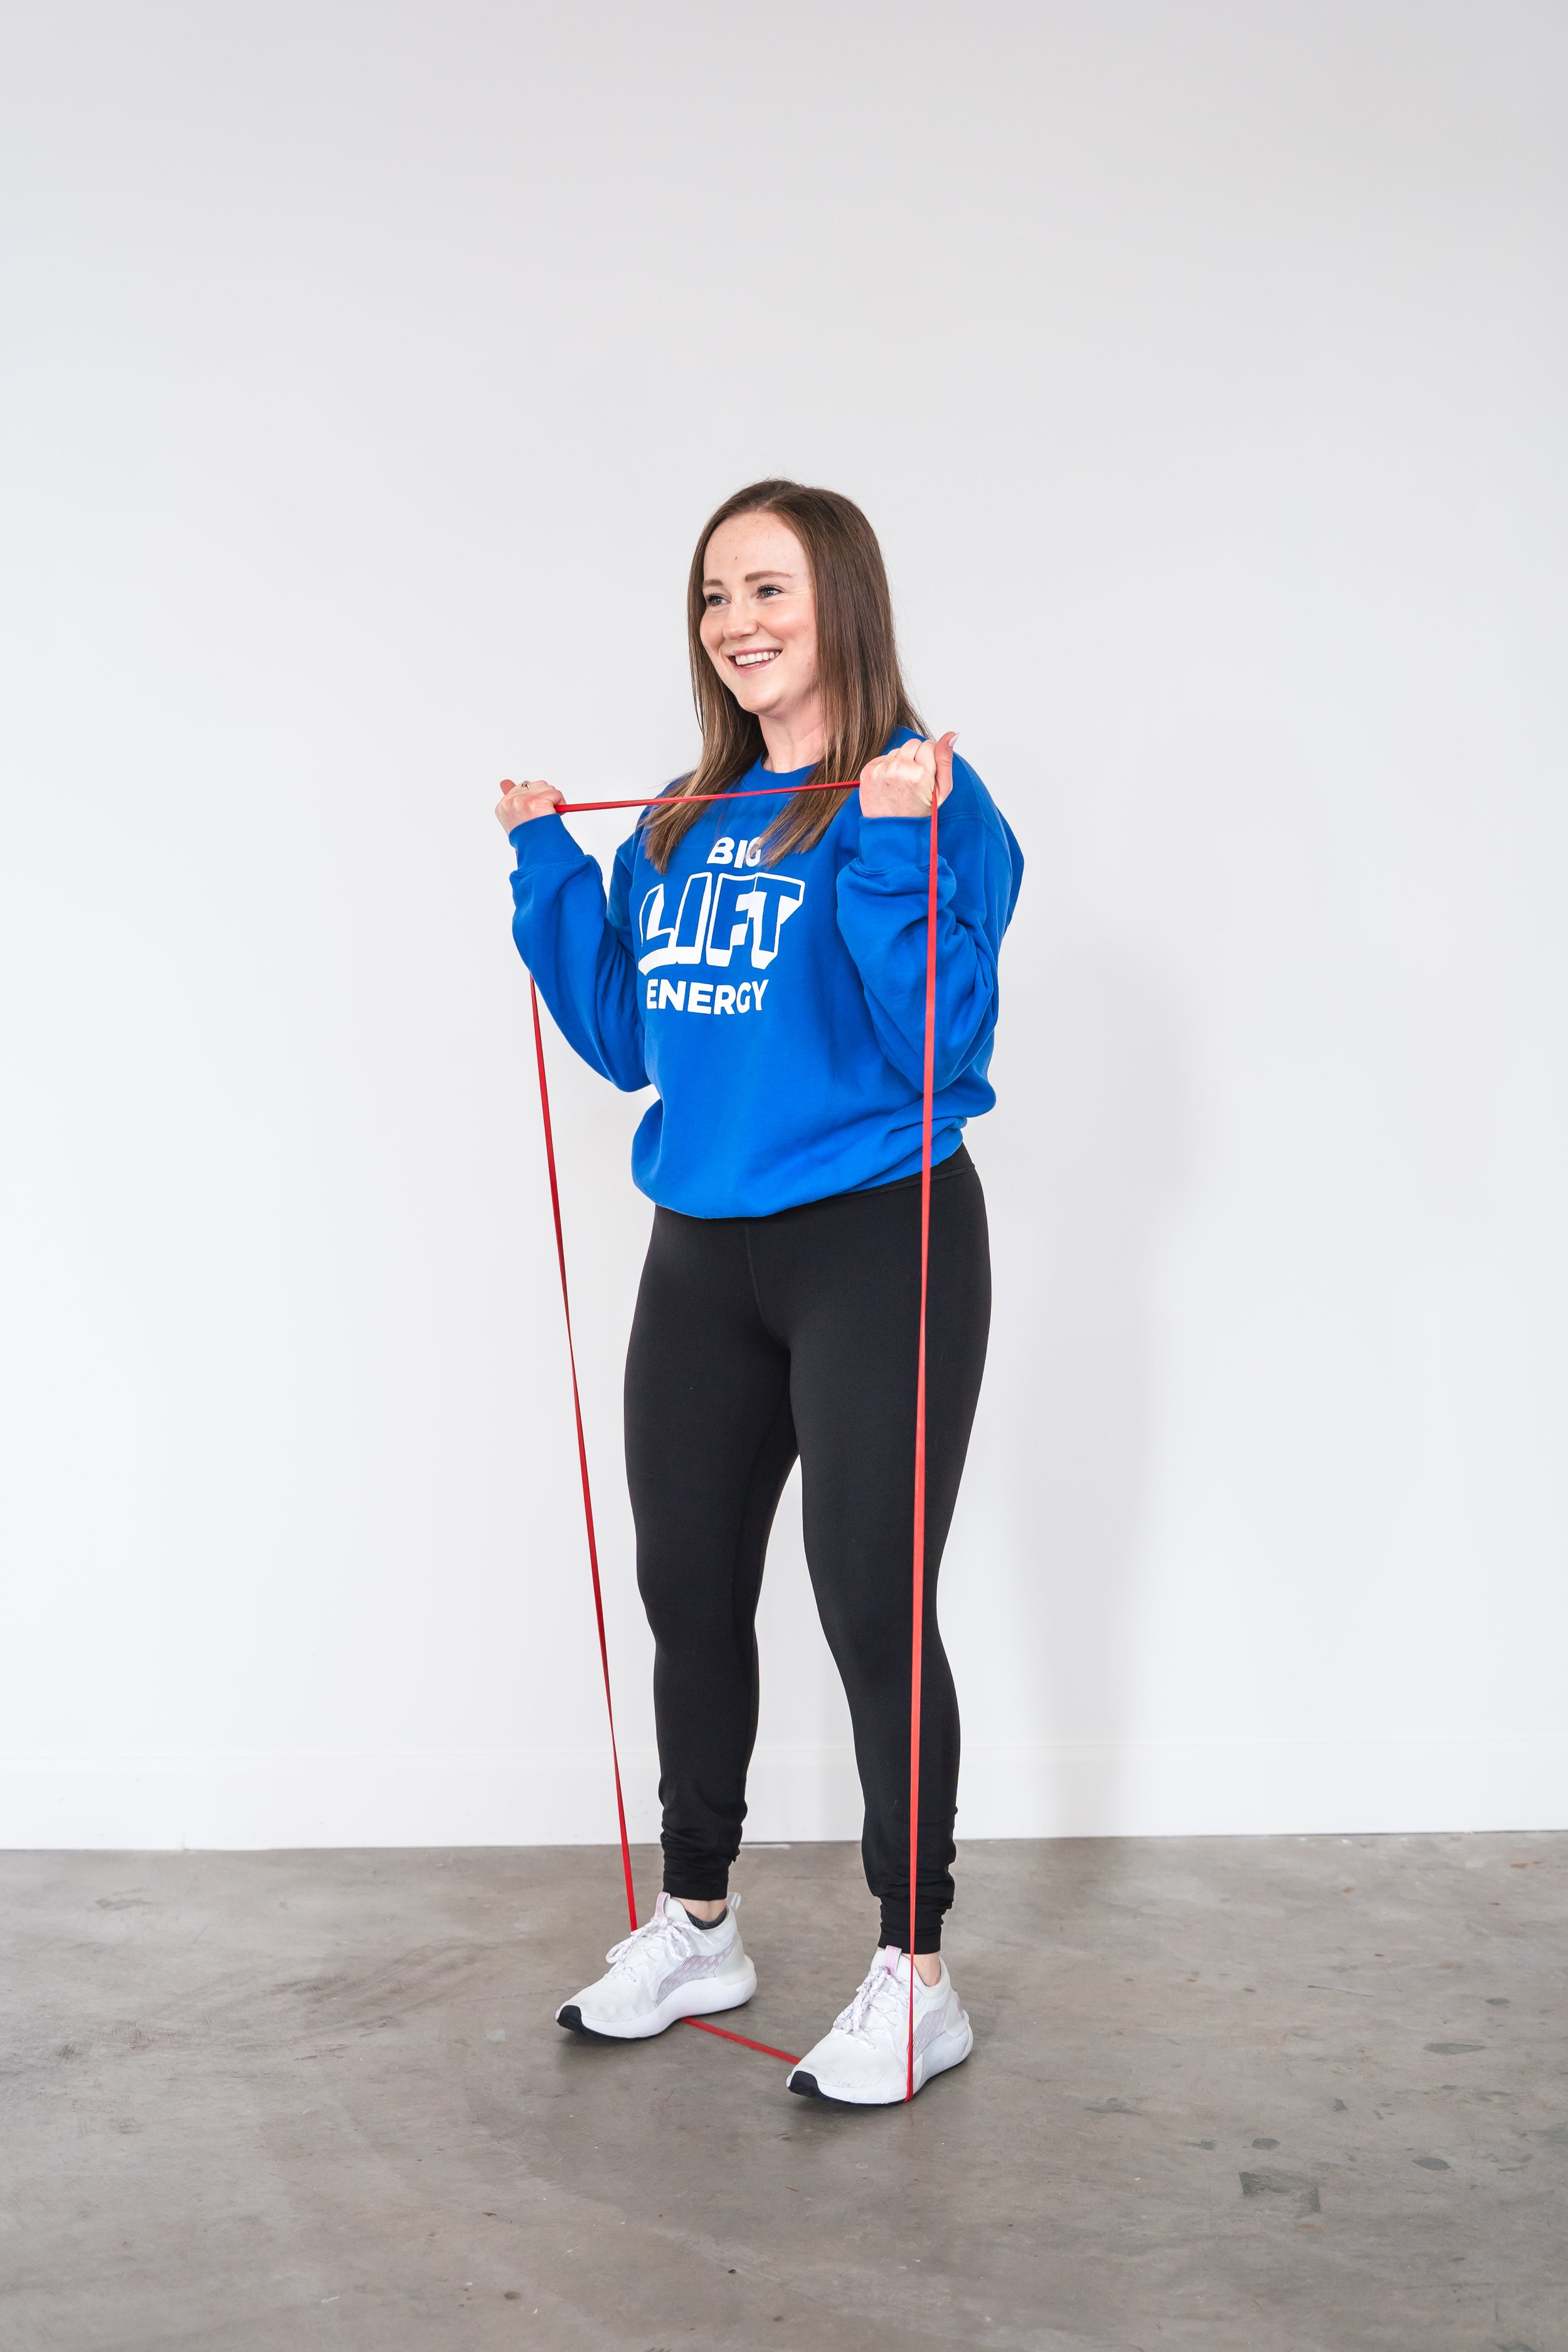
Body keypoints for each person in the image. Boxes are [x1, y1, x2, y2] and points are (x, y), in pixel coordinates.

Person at [495, 479, 1022, 2105]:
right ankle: (700, 1920)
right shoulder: (673, 817)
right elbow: (628, 1042)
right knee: (689, 1591)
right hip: (699, 1255)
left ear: (840, 605)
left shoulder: (924, 795)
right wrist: (546, 871)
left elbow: (934, 1035)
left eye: (770, 590)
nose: (737, 622)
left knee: (869, 1601)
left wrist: (886, 835)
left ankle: (912, 1969)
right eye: (717, 594)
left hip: (878, 1236)